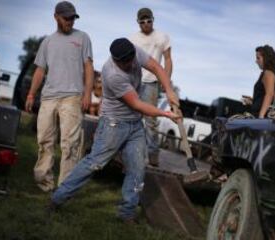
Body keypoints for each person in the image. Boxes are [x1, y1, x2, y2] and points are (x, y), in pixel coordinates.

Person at [49, 38, 180, 223]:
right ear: (116, 60)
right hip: (114, 124)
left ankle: (126, 214)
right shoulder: (112, 74)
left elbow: (157, 68)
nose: (130, 64)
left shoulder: (133, 52)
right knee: (95, 163)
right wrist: (166, 114)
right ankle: (57, 198)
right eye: (125, 62)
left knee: (137, 168)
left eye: (131, 60)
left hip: (135, 125)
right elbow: (137, 104)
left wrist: (169, 91)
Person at [25, 1, 94, 192]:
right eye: (66, 18)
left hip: (72, 97)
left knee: (70, 144)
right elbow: (40, 70)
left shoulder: (83, 38)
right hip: (48, 97)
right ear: (56, 17)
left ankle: (65, 189)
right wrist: (31, 94)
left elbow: (89, 67)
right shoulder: (47, 42)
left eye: (73, 18)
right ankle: (44, 183)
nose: (70, 22)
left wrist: (87, 93)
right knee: (44, 141)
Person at [130, 8, 173, 167]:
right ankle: (131, 153)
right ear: (138, 22)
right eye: (142, 21)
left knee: (151, 121)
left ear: (153, 20)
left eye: (149, 21)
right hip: (134, 82)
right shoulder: (133, 38)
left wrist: (166, 81)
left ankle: (153, 154)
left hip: (152, 83)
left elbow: (168, 60)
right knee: (132, 118)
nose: (146, 24)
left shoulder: (162, 37)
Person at [242, 45, 275, 118]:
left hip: (264, 118)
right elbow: (273, 97)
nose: (256, 61)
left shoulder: (268, 73)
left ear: (266, 58)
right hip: (274, 118)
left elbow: (269, 95)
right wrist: (253, 101)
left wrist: (261, 117)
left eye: (258, 58)